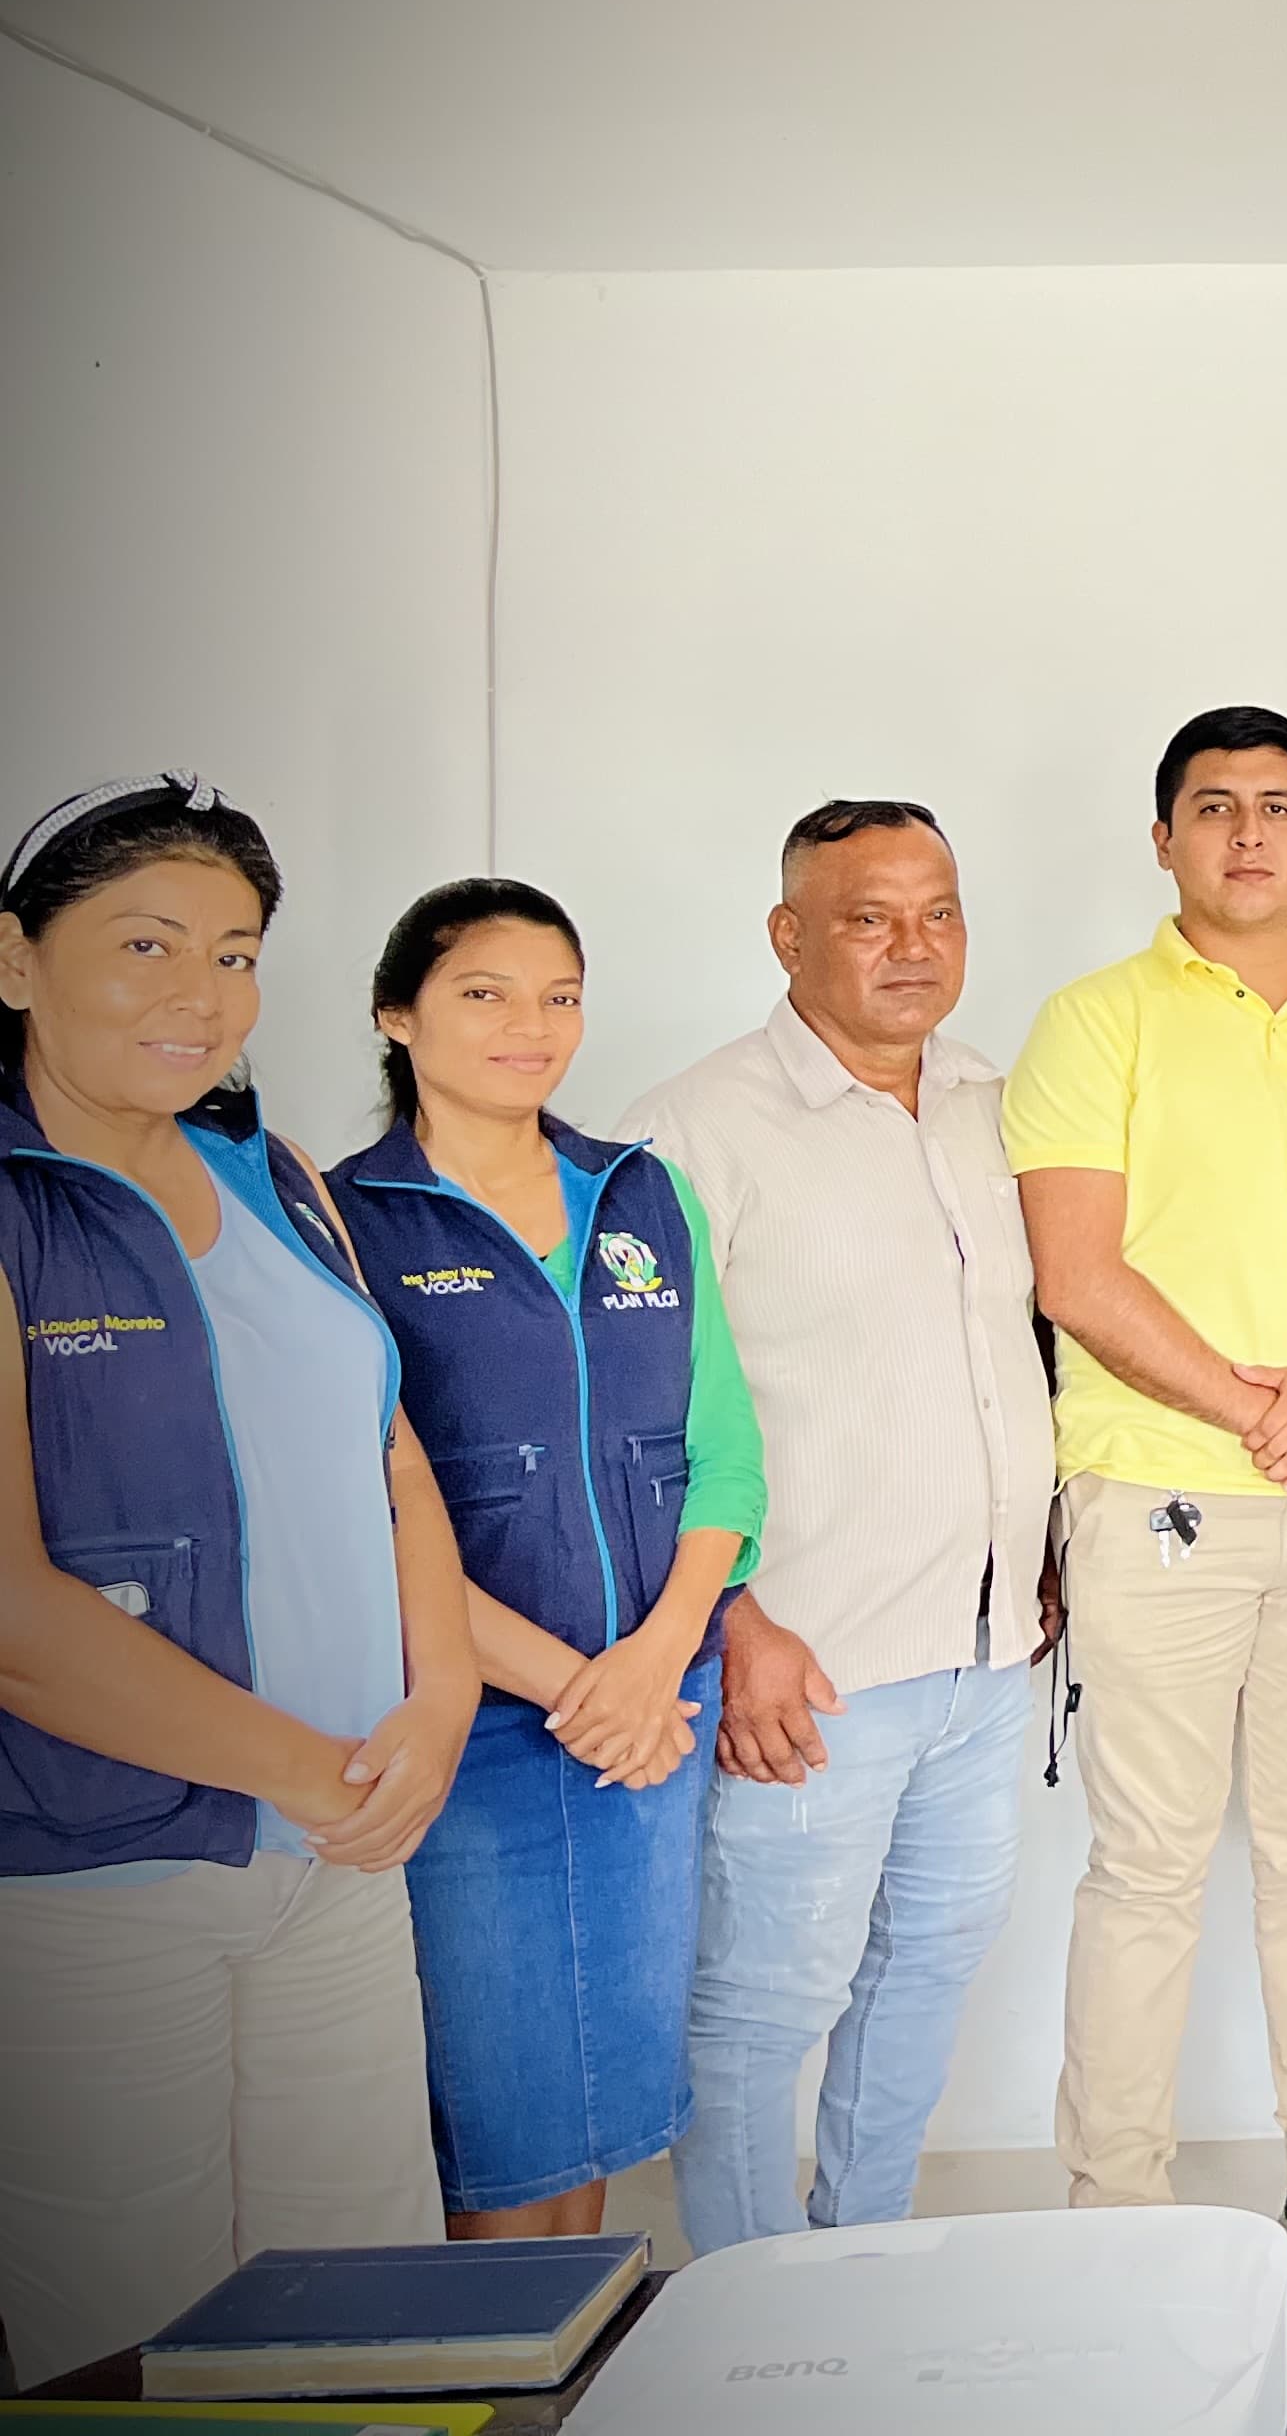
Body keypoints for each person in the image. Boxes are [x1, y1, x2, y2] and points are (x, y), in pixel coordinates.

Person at [0, 777, 477, 2387]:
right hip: (101, 1876)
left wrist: (441, 1701)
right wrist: (314, 1770)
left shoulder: (280, 1178)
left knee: (367, 2318)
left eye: (235, 955)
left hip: (342, 1850)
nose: (199, 995)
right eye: (146, 944)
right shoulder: (17, 1208)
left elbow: (392, 1459)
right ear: (16, 959)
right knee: (129, 2348)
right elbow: (12, 1615)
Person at [1006, 708, 1287, 2257]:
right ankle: (1116, 2206)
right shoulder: (1095, 1021)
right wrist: (1271, 1414)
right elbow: (1077, 1275)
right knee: (1148, 1865)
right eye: (1212, 807)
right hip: (1156, 1500)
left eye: (1276, 806)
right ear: (1163, 840)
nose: (1246, 832)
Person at [620, 799, 1060, 2254]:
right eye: (869, 918)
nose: (912, 947)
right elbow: (639, 1418)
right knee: (766, 2003)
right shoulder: (687, 1131)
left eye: (939, 913)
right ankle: (748, 2296)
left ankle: (864, 2260)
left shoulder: (996, 1102)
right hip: (805, 1661)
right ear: (788, 935)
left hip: (988, 1652)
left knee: (929, 1969)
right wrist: (730, 1622)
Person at [336, 881, 767, 2242]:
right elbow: (360, 1509)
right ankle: (497, 2355)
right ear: (398, 1015)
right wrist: (583, 1689)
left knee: (596, 2115)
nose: (531, 1025)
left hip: (656, 1715)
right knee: (504, 2128)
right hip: (474, 1729)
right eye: (485, 993)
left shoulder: (642, 1192)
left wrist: (655, 1663)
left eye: (560, 996)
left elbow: (726, 1455)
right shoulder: (345, 1222)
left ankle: (560, 2351)